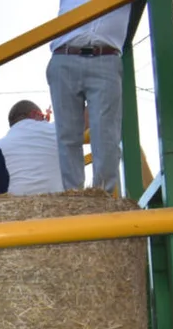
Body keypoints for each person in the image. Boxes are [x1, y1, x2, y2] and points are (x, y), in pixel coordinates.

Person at [46, 0, 130, 193]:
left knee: (106, 136)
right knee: (67, 135)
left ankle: (102, 196)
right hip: (64, 53)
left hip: (105, 55)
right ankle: (74, 196)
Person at [0, 100, 65, 196]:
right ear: (34, 114)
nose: (45, 120)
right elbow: (85, 120)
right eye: (43, 116)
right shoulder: (56, 130)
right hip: (60, 203)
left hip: (15, 205)